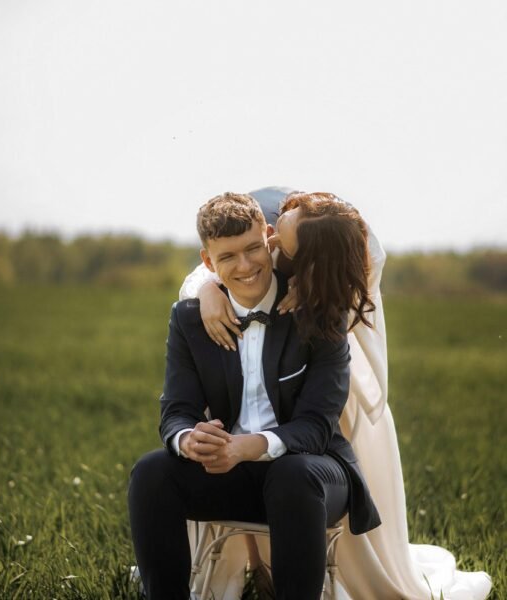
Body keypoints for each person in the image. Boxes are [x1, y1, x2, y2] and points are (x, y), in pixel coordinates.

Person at [181, 187, 492, 600]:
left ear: (312, 260)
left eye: (281, 244)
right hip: (256, 379)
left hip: (322, 388)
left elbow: (335, 332)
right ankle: (253, 565)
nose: (272, 245)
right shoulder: (283, 223)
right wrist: (206, 290)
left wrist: (312, 294)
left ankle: (324, 577)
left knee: (304, 475)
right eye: (276, 231)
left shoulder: (352, 259)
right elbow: (213, 265)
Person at [128, 192, 381, 600]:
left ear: (268, 237)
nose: (245, 266)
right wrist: (188, 439)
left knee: (291, 475)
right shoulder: (189, 319)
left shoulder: (319, 311)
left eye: (252, 249)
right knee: (151, 473)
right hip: (231, 473)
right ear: (208, 264)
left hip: (312, 474)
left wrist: (250, 446)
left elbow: (317, 427)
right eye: (227, 257)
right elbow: (176, 410)